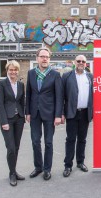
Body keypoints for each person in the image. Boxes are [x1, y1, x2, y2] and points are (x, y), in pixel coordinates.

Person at [25, 47, 63, 181]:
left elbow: (59, 96)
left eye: (47, 57)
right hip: (34, 113)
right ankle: (38, 167)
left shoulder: (55, 75)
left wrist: (58, 115)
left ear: (49, 59)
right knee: (35, 141)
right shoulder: (30, 74)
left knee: (48, 142)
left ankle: (47, 169)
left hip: (50, 114)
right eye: (42, 56)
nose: (44, 59)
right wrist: (27, 112)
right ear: (37, 58)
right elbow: (28, 94)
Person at [61, 55, 93, 177]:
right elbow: (61, 96)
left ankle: (80, 162)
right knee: (70, 139)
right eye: (78, 61)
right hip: (71, 113)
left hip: (85, 113)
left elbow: (94, 95)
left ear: (86, 63)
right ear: (75, 62)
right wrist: (62, 113)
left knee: (82, 139)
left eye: (83, 61)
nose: (81, 63)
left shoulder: (90, 77)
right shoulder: (67, 76)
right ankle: (68, 165)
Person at [0, 60, 25, 186]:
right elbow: (0, 104)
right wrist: (3, 121)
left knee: (17, 147)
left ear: (18, 71)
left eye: (15, 70)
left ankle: (14, 170)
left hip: (19, 118)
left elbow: (21, 101)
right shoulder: (2, 84)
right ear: (7, 70)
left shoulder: (20, 84)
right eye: (11, 70)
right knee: (11, 148)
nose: (13, 72)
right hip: (7, 120)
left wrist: (23, 116)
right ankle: (12, 174)